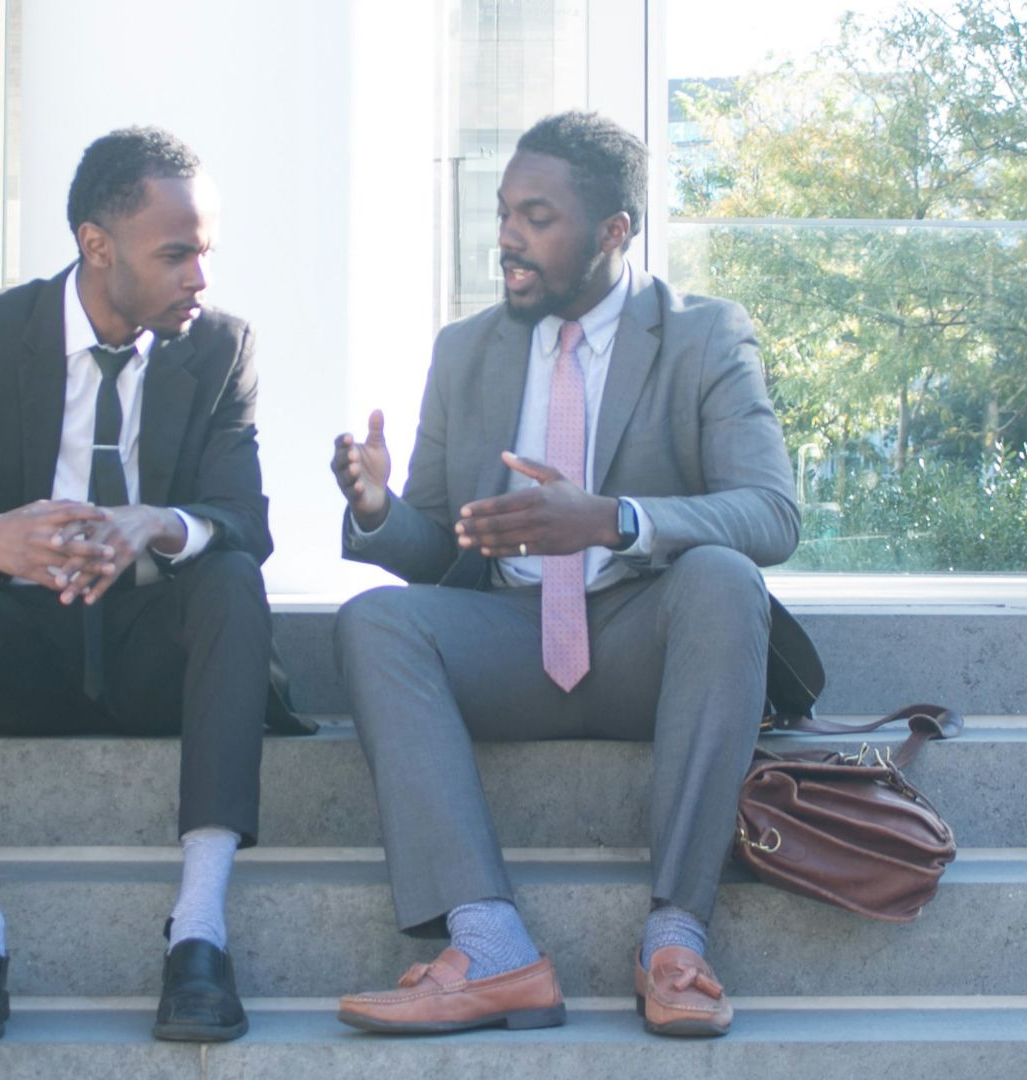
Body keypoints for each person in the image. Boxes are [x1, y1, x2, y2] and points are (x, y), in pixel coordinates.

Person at [329, 111, 803, 1039]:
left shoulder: (705, 337)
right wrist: (382, 511)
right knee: (376, 620)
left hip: (645, 647)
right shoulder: (466, 352)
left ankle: (675, 940)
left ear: (614, 231)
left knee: (723, 578)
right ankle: (492, 947)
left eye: (537, 217)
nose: (508, 237)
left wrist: (614, 521)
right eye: (506, 213)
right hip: (508, 646)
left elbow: (771, 513)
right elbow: (442, 550)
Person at [0, 127, 279, 1045]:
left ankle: (198, 935)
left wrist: (158, 522)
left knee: (231, 577)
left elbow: (247, 519)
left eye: (207, 251)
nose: (200, 276)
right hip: (21, 652)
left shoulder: (220, 349)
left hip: (150, 653)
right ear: (96, 246)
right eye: (177, 254)